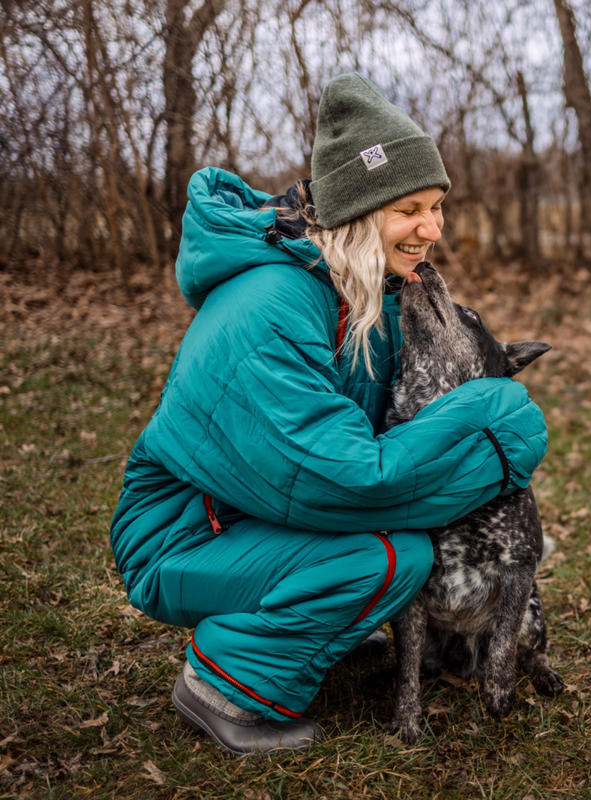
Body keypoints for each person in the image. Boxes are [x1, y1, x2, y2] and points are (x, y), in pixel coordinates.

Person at [109, 73, 548, 755]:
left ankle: (312, 621)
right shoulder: (270, 306)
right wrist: (494, 428)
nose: (431, 228)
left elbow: (394, 432)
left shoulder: (365, 295)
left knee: (394, 553)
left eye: (436, 206)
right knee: (389, 556)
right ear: (357, 212)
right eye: (409, 208)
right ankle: (226, 684)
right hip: (181, 537)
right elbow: (347, 480)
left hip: (251, 519)